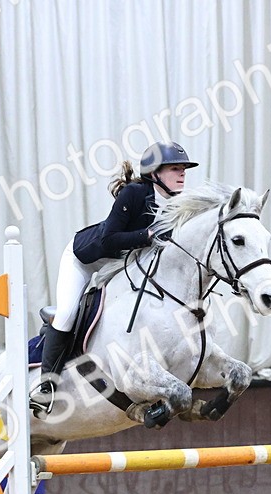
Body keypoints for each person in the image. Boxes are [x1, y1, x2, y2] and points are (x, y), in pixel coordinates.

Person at [29, 141, 199, 414]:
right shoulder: (133, 194)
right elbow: (109, 239)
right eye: (175, 169)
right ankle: (46, 386)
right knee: (68, 313)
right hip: (85, 260)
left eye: (184, 170)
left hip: (119, 265)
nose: (182, 174)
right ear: (154, 173)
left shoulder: (176, 204)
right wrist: (147, 236)